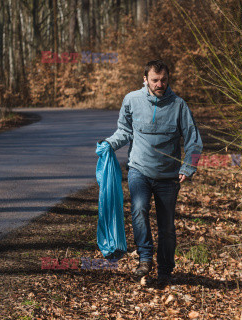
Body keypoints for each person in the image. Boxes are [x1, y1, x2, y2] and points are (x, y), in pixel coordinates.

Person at [99, 60, 203, 283]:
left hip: (168, 177)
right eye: (155, 80)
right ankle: (145, 258)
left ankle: (165, 271)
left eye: (164, 80)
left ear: (168, 79)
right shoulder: (131, 100)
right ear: (145, 79)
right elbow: (124, 132)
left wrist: (188, 166)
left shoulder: (179, 105)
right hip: (139, 170)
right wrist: (109, 144)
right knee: (138, 209)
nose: (160, 84)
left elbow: (194, 140)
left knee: (166, 227)